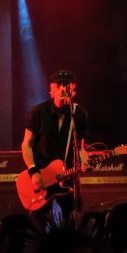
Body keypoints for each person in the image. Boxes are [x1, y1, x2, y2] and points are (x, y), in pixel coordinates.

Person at [21, 70, 89, 230]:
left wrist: (84, 160)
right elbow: (26, 145)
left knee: (70, 223)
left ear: (74, 90)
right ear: (51, 91)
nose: (63, 88)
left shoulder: (79, 114)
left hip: (67, 178)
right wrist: (33, 171)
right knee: (40, 225)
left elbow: (80, 147)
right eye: (58, 85)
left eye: (67, 85)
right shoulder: (38, 112)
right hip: (42, 178)